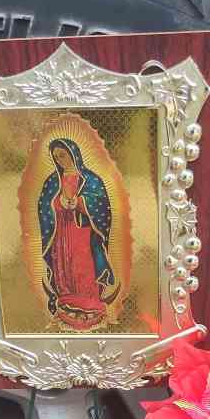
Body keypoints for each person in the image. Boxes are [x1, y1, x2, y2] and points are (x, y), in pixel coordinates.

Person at [37, 137, 118, 328]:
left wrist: (81, 202)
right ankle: (66, 299)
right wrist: (57, 203)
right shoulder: (52, 181)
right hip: (61, 231)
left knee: (83, 263)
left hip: (83, 231)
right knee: (63, 263)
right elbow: (43, 205)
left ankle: (89, 301)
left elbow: (102, 205)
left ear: (74, 154)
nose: (59, 160)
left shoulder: (91, 180)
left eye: (63, 155)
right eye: (56, 157)